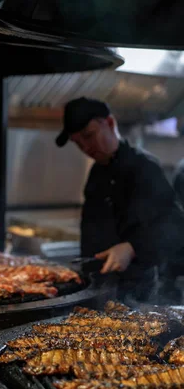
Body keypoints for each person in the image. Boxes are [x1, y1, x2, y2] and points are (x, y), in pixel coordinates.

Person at [55, 97, 184, 304]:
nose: (86, 147)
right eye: (78, 142)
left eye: (89, 136)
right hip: (97, 288)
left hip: (136, 292)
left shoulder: (144, 167)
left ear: (110, 123)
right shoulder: (97, 171)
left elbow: (175, 227)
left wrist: (133, 247)